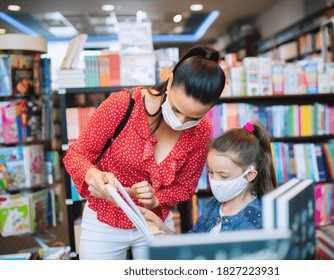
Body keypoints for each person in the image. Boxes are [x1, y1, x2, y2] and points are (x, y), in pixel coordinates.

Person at [62, 45, 226, 260]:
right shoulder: (123, 105)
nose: (180, 122)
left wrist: (156, 199)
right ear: (170, 80)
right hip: (105, 220)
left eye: (193, 117)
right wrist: (92, 175)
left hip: (155, 222)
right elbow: (76, 154)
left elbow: (186, 187)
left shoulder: (202, 130)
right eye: (176, 109)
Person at [141, 120, 278, 235]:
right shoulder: (213, 205)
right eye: (211, 172)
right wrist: (162, 227)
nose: (215, 181)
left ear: (249, 175)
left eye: (223, 176)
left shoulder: (261, 218)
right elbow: (193, 244)